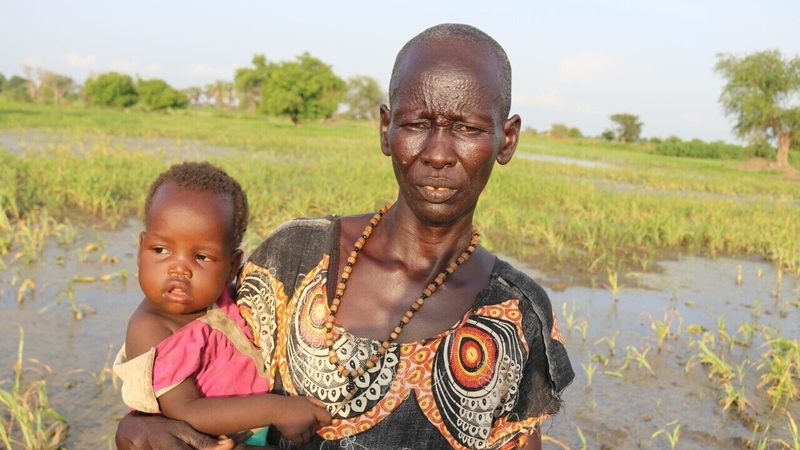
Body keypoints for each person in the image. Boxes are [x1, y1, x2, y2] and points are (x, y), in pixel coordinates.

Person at [116, 23, 574, 450]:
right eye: (416, 124)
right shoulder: (292, 257)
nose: (437, 154)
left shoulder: (518, 315)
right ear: (385, 128)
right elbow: (194, 342)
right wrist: (138, 423)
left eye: (467, 129)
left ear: (506, 140)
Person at [113, 161, 332, 448]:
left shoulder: (225, 298)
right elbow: (185, 410)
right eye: (161, 250)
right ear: (141, 251)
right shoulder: (151, 327)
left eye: (202, 257)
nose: (179, 269)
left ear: (232, 266)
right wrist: (277, 409)